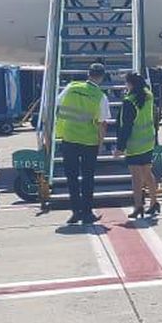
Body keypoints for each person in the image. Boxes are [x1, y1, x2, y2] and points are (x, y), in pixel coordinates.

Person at [54, 62, 113, 225]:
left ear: (88, 74)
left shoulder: (70, 88)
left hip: (69, 139)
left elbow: (57, 106)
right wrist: (101, 143)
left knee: (71, 177)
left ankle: (75, 211)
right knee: (88, 178)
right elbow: (102, 123)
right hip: (89, 142)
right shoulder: (100, 96)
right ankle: (87, 212)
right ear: (101, 77)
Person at [117, 71, 160, 219]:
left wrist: (120, 147)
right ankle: (154, 202)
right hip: (148, 141)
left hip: (134, 144)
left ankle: (138, 206)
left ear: (131, 84)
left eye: (126, 83)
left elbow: (126, 126)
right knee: (148, 173)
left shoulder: (129, 101)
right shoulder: (148, 95)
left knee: (136, 178)